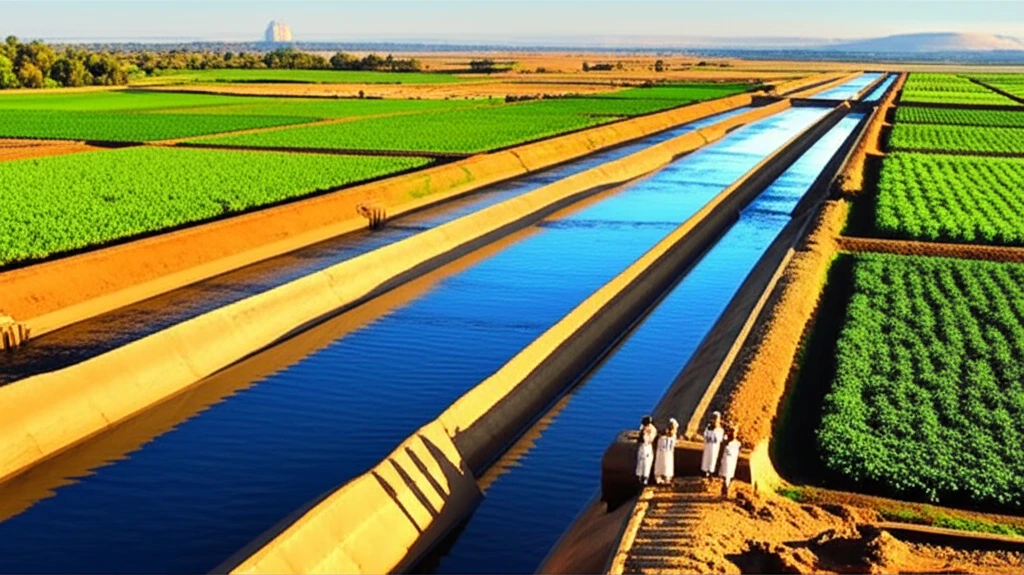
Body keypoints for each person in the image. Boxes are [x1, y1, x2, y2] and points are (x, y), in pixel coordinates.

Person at [653, 418, 679, 485]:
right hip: (665, 453)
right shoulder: (669, 437)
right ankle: (663, 479)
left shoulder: (666, 437)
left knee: (665, 466)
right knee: (665, 466)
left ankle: (664, 479)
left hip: (665, 453)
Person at [635, 415, 658, 487]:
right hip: (648, 447)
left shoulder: (644, 430)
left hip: (644, 447)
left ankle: (641, 478)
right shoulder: (653, 429)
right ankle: (645, 478)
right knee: (647, 463)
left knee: (641, 462)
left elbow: (641, 439)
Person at [719, 424, 742, 497]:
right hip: (726, 461)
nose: (733, 434)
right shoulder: (725, 443)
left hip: (732, 462)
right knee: (725, 476)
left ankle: (726, 490)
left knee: (729, 476)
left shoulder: (738, 444)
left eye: (734, 432)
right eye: (731, 432)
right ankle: (725, 490)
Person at [700, 411, 725, 477]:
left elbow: (719, 439)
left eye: (716, 419)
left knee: (712, 461)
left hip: (714, 450)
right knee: (706, 461)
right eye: (713, 418)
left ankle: (711, 474)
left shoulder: (720, 430)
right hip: (707, 449)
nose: (714, 420)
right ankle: (705, 473)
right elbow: (705, 437)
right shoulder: (707, 429)